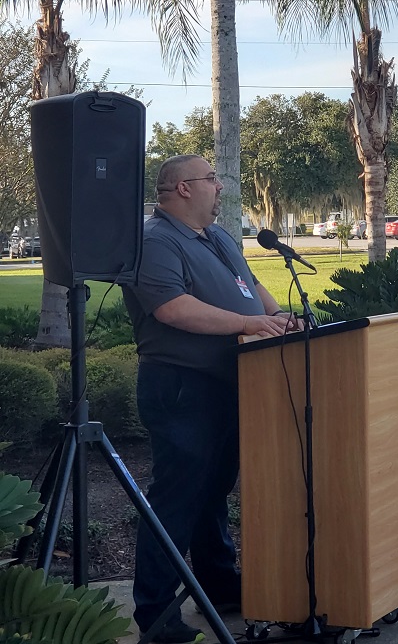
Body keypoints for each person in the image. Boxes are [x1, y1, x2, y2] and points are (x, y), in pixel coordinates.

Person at [122, 154, 300, 644]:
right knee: (177, 499)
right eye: (211, 179)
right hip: (182, 386)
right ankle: (157, 618)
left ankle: (219, 585)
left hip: (234, 380)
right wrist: (248, 324)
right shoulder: (154, 241)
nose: (220, 187)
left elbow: (252, 288)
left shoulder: (219, 237)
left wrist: (279, 318)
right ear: (182, 188)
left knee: (214, 489)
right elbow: (173, 309)